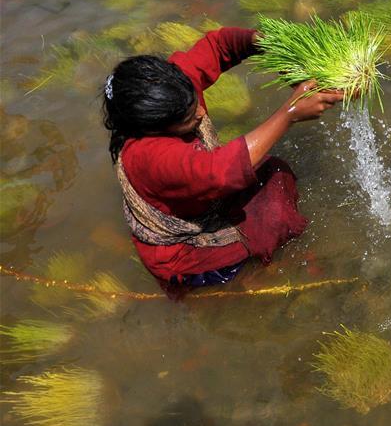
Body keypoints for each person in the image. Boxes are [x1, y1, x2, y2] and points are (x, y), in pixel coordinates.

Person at [101, 27, 343, 289]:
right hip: (187, 251)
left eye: (195, 105)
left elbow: (219, 45)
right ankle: (250, 278)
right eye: (187, 120)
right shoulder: (149, 155)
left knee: (275, 173)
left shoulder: (174, 88)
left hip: (202, 196)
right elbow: (218, 172)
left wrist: (270, 46)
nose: (199, 116)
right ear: (153, 127)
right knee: (273, 217)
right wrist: (290, 113)